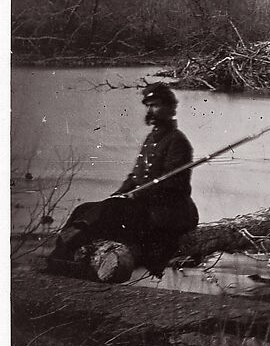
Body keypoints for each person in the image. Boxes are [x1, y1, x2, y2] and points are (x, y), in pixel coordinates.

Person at [49, 83, 199, 275]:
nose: (150, 110)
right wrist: (119, 194)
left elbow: (174, 186)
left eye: (156, 105)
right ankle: (64, 252)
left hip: (168, 211)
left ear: (171, 108)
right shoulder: (152, 139)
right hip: (146, 204)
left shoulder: (178, 141)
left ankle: (69, 256)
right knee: (84, 209)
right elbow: (135, 176)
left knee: (110, 212)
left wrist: (136, 196)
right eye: (148, 105)